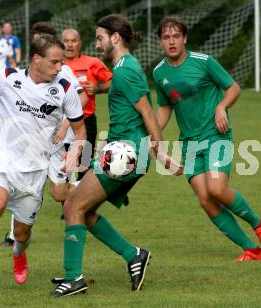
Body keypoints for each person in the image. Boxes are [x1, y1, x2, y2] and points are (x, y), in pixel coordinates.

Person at [51, 14, 182, 297]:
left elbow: (147, 111)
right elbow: (130, 115)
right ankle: (134, 255)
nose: (97, 44)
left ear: (115, 37)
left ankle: (74, 278)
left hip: (128, 154)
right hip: (120, 150)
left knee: (72, 205)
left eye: (100, 38)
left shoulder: (126, 70)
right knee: (80, 210)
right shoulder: (122, 68)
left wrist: (161, 151)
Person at [0, 34, 86, 294]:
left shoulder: (65, 89)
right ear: (36, 59)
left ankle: (19, 254)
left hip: (35, 172)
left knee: (22, 235)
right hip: (4, 160)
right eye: (54, 62)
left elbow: (80, 130)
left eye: (61, 62)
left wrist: (76, 151)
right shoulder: (9, 77)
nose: (60, 67)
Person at [153, 16, 261, 261]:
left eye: (176, 36)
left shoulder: (204, 62)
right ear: (160, 42)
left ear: (185, 38)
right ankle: (251, 251)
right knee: (206, 200)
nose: (172, 41)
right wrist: (155, 141)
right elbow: (166, 106)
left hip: (215, 135)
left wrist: (221, 107)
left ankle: (259, 224)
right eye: (166, 37)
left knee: (217, 189)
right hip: (189, 143)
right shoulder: (159, 72)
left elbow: (233, 88)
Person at [0, 21, 89, 284]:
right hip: (30, 150)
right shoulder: (23, 76)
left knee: (59, 193)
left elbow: (80, 98)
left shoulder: (63, 73)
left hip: (59, 144)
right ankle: (17, 238)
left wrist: (63, 126)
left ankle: (89, 187)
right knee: (31, 196)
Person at [61, 28, 113, 179]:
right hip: (60, 124)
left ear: (80, 44)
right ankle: (67, 201)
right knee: (63, 170)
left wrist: (98, 88)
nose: (70, 45)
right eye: (66, 41)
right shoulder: (54, 64)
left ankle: (84, 199)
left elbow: (113, 82)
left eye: (73, 41)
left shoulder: (92, 63)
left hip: (86, 121)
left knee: (84, 167)